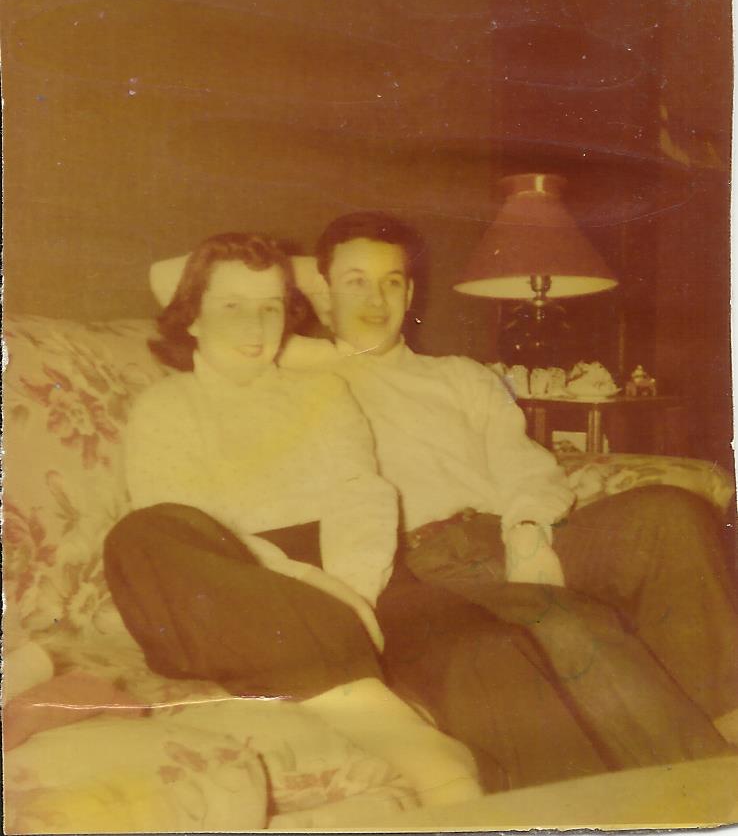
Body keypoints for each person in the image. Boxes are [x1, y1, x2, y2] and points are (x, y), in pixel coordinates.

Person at [308, 210, 738, 773]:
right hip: (424, 564)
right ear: (324, 295)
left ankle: (723, 725)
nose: (376, 299)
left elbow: (525, 466)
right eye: (355, 282)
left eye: (391, 281)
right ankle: (703, 777)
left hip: (511, 529)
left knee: (672, 514)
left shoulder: (461, 376)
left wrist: (529, 532)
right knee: (561, 619)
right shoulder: (305, 386)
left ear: (410, 294)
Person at [103, 231, 483, 807]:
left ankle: (418, 750)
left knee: (488, 649)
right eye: (232, 307)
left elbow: (362, 495)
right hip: (228, 586)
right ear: (193, 317)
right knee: (143, 534)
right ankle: (410, 740)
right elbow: (187, 528)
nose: (255, 327)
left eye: (271, 307)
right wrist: (308, 585)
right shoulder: (165, 407)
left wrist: (351, 591)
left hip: (346, 571)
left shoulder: (324, 390)